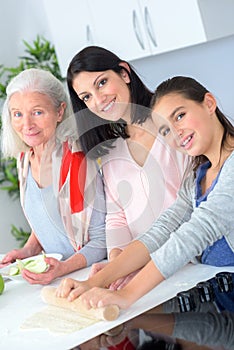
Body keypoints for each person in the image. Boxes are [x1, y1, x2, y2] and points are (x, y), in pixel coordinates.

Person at [56, 76, 234, 312]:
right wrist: (93, 282)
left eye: (180, 116)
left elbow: (195, 232)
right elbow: (162, 230)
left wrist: (127, 295)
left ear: (209, 103)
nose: (176, 133)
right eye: (165, 129)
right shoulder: (198, 175)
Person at [66, 46, 188, 288]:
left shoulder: (174, 124)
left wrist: (132, 264)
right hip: (149, 272)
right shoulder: (112, 152)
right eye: (86, 97)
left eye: (101, 83)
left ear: (124, 73)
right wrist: (117, 260)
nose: (98, 100)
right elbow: (117, 215)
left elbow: (196, 200)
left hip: (191, 263)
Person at [0, 68, 106, 285]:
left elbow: (102, 241)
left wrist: (64, 268)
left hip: (92, 278)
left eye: (37, 112)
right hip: (59, 280)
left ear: (59, 112)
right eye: (18, 114)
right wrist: (29, 250)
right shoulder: (25, 160)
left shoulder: (77, 160)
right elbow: (49, 220)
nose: (27, 125)